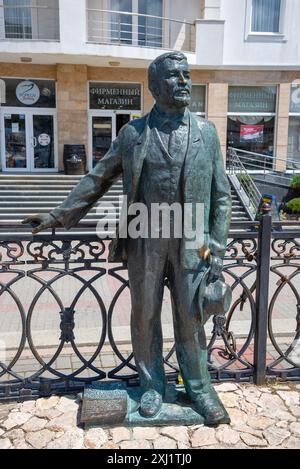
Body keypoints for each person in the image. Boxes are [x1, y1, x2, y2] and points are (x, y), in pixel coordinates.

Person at [23, 52, 232, 426]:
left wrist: (216, 245)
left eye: (187, 75)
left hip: (192, 240)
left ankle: (200, 388)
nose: (183, 81)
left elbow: (221, 195)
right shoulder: (133, 134)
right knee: (145, 315)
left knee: (191, 318)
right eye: (173, 76)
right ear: (154, 86)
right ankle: (152, 387)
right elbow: (97, 179)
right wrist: (58, 215)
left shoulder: (208, 133)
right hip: (145, 236)